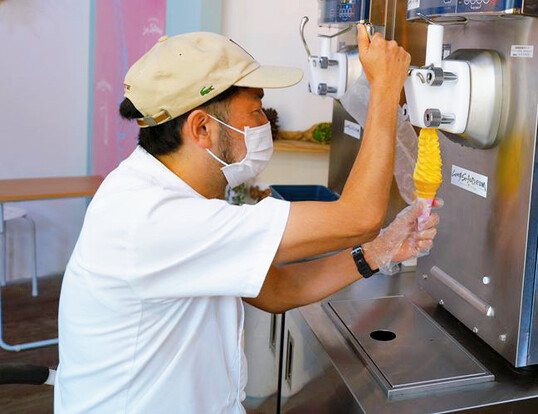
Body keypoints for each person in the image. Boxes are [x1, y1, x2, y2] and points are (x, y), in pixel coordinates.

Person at [54, 27, 438, 413]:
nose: (263, 125)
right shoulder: (153, 218)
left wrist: (374, 253)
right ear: (202, 128)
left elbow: (275, 290)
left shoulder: (159, 192)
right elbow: (360, 216)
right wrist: (386, 89)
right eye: (255, 111)